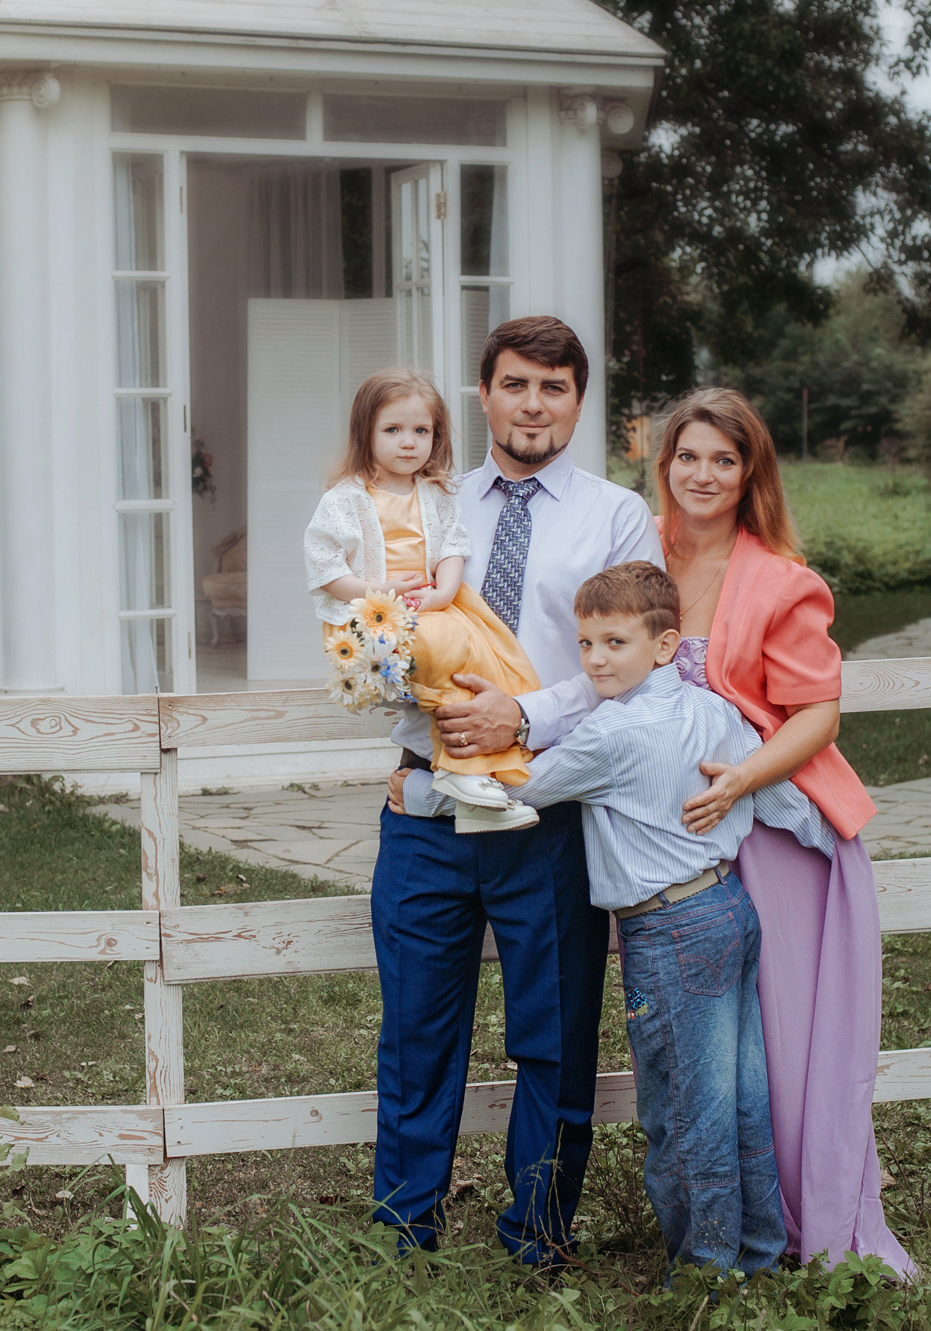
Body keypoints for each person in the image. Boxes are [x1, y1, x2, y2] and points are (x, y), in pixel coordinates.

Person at [403, 561, 824, 1277]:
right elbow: (776, 796)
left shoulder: (610, 735)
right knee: (742, 1096)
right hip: (728, 910)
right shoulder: (711, 708)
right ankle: (755, 1250)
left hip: (669, 933)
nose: (595, 659)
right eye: (587, 643)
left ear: (663, 646)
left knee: (684, 1111)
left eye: (615, 643)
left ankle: (705, 1274)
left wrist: (417, 789)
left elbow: (514, 793)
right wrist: (825, 844)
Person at [368, 316, 664, 1264]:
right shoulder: (428, 502)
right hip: (428, 808)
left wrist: (524, 717)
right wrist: (403, 711)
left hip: (549, 806)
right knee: (418, 1032)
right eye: (515, 384)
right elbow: (380, 626)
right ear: (483, 394)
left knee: (555, 1034)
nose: (533, 403)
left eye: (554, 387)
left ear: (578, 400)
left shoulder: (617, 515)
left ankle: (537, 1233)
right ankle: (405, 1230)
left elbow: (635, 666)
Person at [639, 387, 917, 1274]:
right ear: (665, 462)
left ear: (751, 471)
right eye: (690, 456)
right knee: (706, 1034)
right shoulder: (637, 556)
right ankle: (731, 1210)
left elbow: (818, 715)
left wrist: (740, 782)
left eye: (726, 459)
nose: (705, 474)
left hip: (772, 833)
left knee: (783, 1028)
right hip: (670, 842)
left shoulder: (783, 580)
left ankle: (807, 1217)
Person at [304, 368, 542, 833]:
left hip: (432, 605)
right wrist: (381, 592)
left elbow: (453, 546)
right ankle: (461, 773)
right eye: (392, 430)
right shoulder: (347, 498)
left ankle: (480, 786)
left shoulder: (435, 493)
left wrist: (445, 590)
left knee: (500, 662)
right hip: (371, 614)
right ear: (365, 434)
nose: (408, 442)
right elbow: (326, 567)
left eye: (421, 431)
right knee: (442, 650)